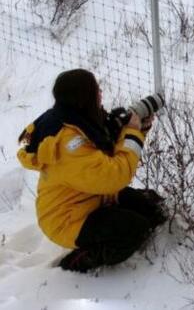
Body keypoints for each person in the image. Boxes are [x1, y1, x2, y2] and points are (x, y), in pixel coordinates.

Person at [17, 69, 167, 273]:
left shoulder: (75, 119)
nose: (101, 93)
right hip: (67, 219)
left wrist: (137, 129)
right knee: (134, 230)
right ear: (84, 96)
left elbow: (104, 153)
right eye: (96, 89)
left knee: (153, 209)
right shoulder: (67, 144)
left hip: (91, 197)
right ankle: (77, 261)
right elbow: (114, 176)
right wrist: (132, 133)